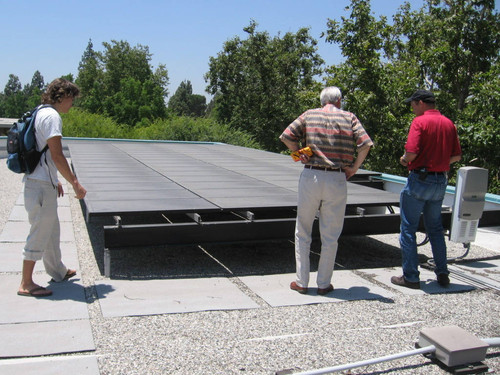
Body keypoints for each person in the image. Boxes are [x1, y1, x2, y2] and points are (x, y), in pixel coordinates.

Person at [280, 86, 373, 295]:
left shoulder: (309, 115)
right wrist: (354, 168)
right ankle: (323, 284)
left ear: (322, 101)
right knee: (330, 235)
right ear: (339, 100)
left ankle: (301, 282)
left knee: (303, 230)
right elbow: (365, 144)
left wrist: (298, 153)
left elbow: (286, 136)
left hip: (311, 176)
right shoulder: (349, 117)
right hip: (337, 177)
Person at [17, 78, 87, 297]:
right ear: (63, 96)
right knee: (40, 232)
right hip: (39, 187)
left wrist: (54, 180)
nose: (72, 105)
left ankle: (58, 270)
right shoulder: (52, 117)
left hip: (39, 182)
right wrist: (75, 183)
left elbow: (44, 153)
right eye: (71, 99)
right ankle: (26, 283)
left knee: (51, 229)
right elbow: (57, 155)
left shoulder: (40, 111)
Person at [391, 89, 461, 290]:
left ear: (420, 102)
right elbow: (456, 156)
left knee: (408, 229)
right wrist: (439, 162)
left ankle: (411, 277)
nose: (412, 108)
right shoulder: (449, 123)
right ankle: (442, 273)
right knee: (436, 229)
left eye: (412, 104)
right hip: (440, 181)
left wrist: (405, 160)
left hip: (420, 179)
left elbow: (411, 152)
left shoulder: (419, 122)